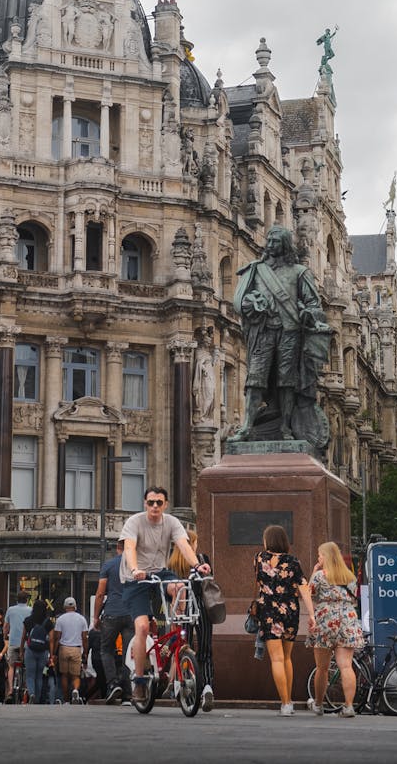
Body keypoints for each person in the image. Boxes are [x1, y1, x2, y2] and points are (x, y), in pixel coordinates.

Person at [232, 225, 330, 446]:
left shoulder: (299, 272)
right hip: (263, 331)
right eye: (269, 240)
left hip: (290, 332)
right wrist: (253, 304)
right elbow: (240, 301)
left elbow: (315, 305)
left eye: (275, 241)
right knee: (254, 379)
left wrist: (308, 313)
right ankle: (247, 426)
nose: (270, 245)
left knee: (287, 381)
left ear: (284, 244)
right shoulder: (255, 270)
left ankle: (285, 427)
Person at [120, 485, 210, 703]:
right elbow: (129, 548)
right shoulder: (134, 522)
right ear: (144, 503)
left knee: (180, 587)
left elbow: (183, 545)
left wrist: (197, 565)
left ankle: (176, 631)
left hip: (159, 573)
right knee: (142, 627)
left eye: (159, 503)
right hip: (136, 578)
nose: (154, 507)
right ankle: (139, 681)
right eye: (151, 502)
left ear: (165, 505)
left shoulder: (171, 522)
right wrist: (135, 570)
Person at [254, 524, 316, 715]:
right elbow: (304, 587)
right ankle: (288, 700)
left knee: (277, 659)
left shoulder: (259, 558)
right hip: (290, 611)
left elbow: (258, 582)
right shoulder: (293, 562)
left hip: (268, 611)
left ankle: (286, 703)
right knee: (287, 657)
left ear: (268, 540)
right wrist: (312, 614)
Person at [307, 541, 364, 718]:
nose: (318, 557)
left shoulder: (319, 575)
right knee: (346, 665)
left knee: (322, 668)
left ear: (326, 557)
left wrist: (315, 570)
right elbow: (355, 599)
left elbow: (308, 595)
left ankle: (318, 704)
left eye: (320, 555)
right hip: (347, 619)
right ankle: (348, 706)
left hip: (325, 620)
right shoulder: (350, 576)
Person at [166, 529, 215, 712]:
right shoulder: (202, 559)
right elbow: (209, 581)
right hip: (201, 609)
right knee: (205, 650)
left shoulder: (172, 564)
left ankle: (182, 685)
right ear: (191, 543)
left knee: (182, 647)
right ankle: (207, 687)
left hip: (182, 610)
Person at [92, 539, 133, 704]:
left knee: (106, 650)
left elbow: (100, 593)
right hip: (131, 614)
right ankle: (128, 695)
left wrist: (95, 617)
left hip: (111, 613)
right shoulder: (136, 566)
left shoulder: (108, 565)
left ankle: (113, 683)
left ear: (118, 548)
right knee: (127, 654)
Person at [51, 596, 89, 705]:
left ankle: (66, 700)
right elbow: (85, 638)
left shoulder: (60, 619)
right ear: (75, 606)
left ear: (65, 607)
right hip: (76, 648)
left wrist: (54, 653)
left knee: (64, 675)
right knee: (76, 675)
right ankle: (76, 690)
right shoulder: (82, 619)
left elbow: (57, 637)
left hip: (64, 648)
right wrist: (85, 652)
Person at [20, 600, 50, 704]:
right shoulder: (48, 621)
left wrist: (21, 651)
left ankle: (31, 694)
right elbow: (52, 638)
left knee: (30, 675)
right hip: (43, 651)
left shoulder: (28, 620)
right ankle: (37, 699)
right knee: (39, 676)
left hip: (30, 649)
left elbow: (23, 636)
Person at [4, 589, 31, 701]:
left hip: (13, 642)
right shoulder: (31, 610)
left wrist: (5, 637)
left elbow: (6, 627)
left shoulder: (10, 610)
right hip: (25, 643)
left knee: (11, 666)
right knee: (27, 666)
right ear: (27, 600)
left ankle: (10, 690)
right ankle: (27, 689)